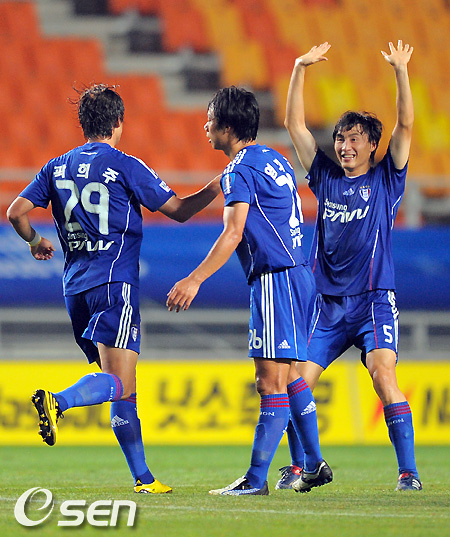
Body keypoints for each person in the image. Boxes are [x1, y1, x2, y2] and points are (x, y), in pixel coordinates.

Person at [7, 83, 222, 494]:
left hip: (75, 289)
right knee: (118, 383)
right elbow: (179, 211)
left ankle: (144, 479)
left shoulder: (56, 166)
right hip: (114, 283)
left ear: (83, 123)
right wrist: (216, 186)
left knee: (123, 386)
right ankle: (57, 402)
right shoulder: (125, 165)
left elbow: (16, 212)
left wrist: (35, 241)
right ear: (119, 122)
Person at [166, 86, 332, 495]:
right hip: (299, 275)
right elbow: (231, 192)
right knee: (290, 377)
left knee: (269, 382)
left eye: (210, 119)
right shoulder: (273, 158)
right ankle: (313, 463)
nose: (205, 125)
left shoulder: (238, 171)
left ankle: (256, 479)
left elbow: (233, 231)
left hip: (275, 279)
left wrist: (194, 279)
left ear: (226, 126)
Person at [278, 40, 421, 492]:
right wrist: (300, 68)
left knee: (383, 376)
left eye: (354, 138)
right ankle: (305, 466)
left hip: (373, 303)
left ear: (373, 145)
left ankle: (408, 473)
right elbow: (294, 125)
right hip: (327, 306)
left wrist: (400, 70)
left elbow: (407, 123)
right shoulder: (324, 176)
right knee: (293, 382)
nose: (344, 146)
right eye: (340, 138)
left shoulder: (386, 180)